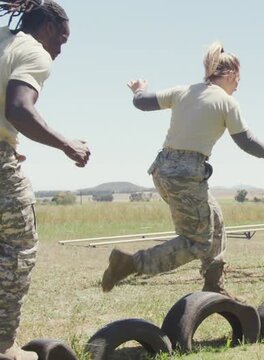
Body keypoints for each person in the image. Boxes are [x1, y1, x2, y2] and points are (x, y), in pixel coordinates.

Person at [101, 42, 264, 299]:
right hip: (186, 175)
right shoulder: (228, 103)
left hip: (163, 169)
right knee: (196, 242)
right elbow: (247, 143)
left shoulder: (183, 91)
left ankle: (214, 284)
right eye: (238, 79)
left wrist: (140, 89)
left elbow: (142, 103)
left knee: (215, 220)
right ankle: (131, 263)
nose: (238, 85)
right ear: (228, 75)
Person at [0, 0, 90, 358]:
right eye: (62, 41)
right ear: (49, 28)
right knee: (18, 247)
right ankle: (3, 346)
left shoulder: (2, 39)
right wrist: (66, 144)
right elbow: (19, 107)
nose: (60, 50)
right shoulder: (35, 52)